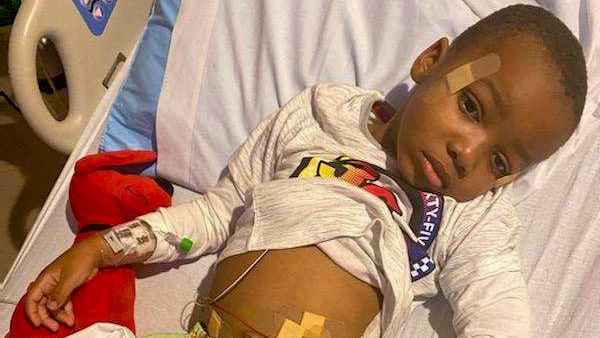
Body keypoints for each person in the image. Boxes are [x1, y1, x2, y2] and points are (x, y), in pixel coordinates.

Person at [22, 4, 587, 338]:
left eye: (500, 162)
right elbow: (221, 211)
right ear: (430, 63)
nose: (469, 152)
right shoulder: (324, 113)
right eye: (471, 107)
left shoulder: (471, 213)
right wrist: (104, 248)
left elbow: (497, 308)